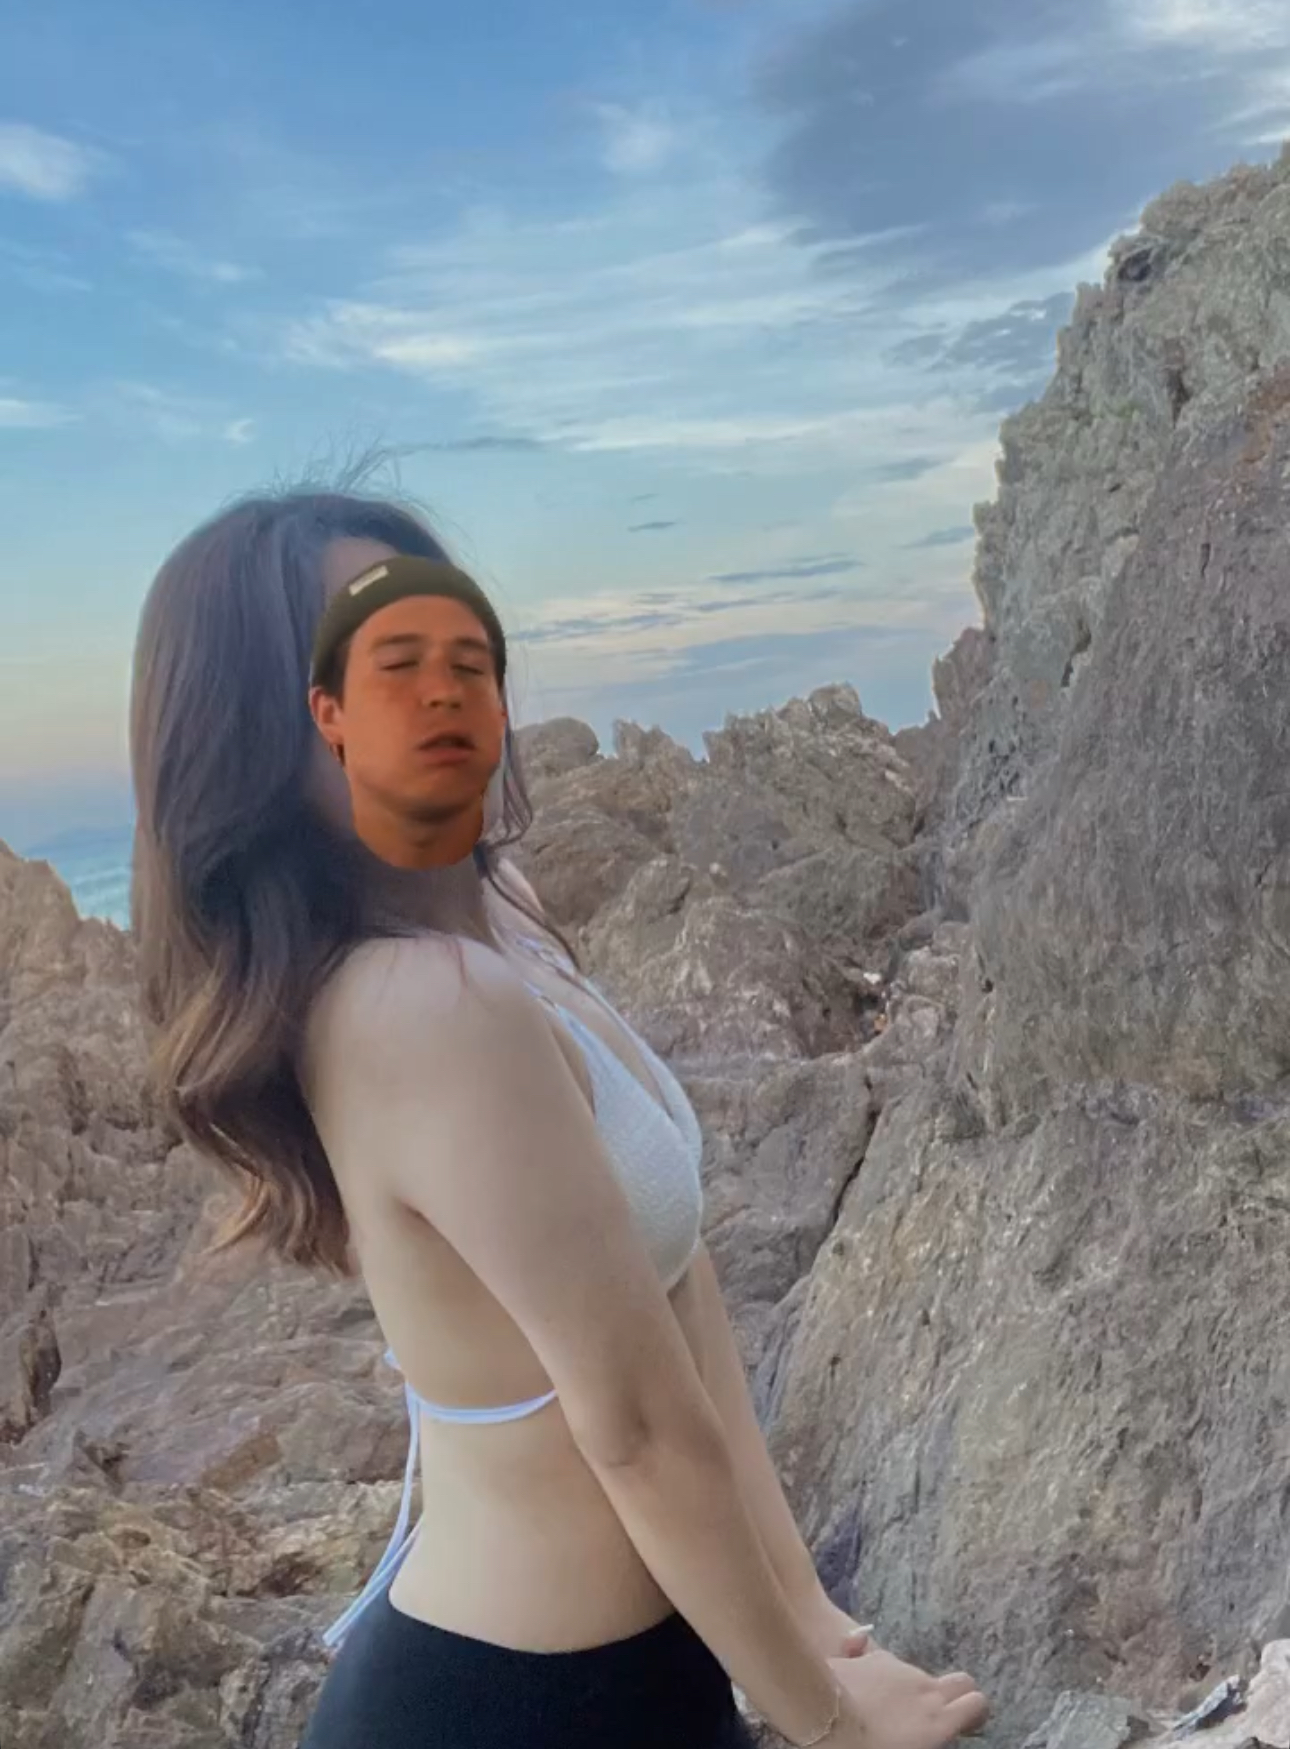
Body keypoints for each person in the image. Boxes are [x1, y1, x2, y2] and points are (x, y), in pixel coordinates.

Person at [130, 482, 989, 1749]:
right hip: (508, 1704)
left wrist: (816, 1628)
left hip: (644, 1673)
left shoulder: (498, 911)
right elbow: (633, 1425)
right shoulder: (419, 1006)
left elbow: (677, 1282)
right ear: (273, 736)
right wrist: (834, 1727)